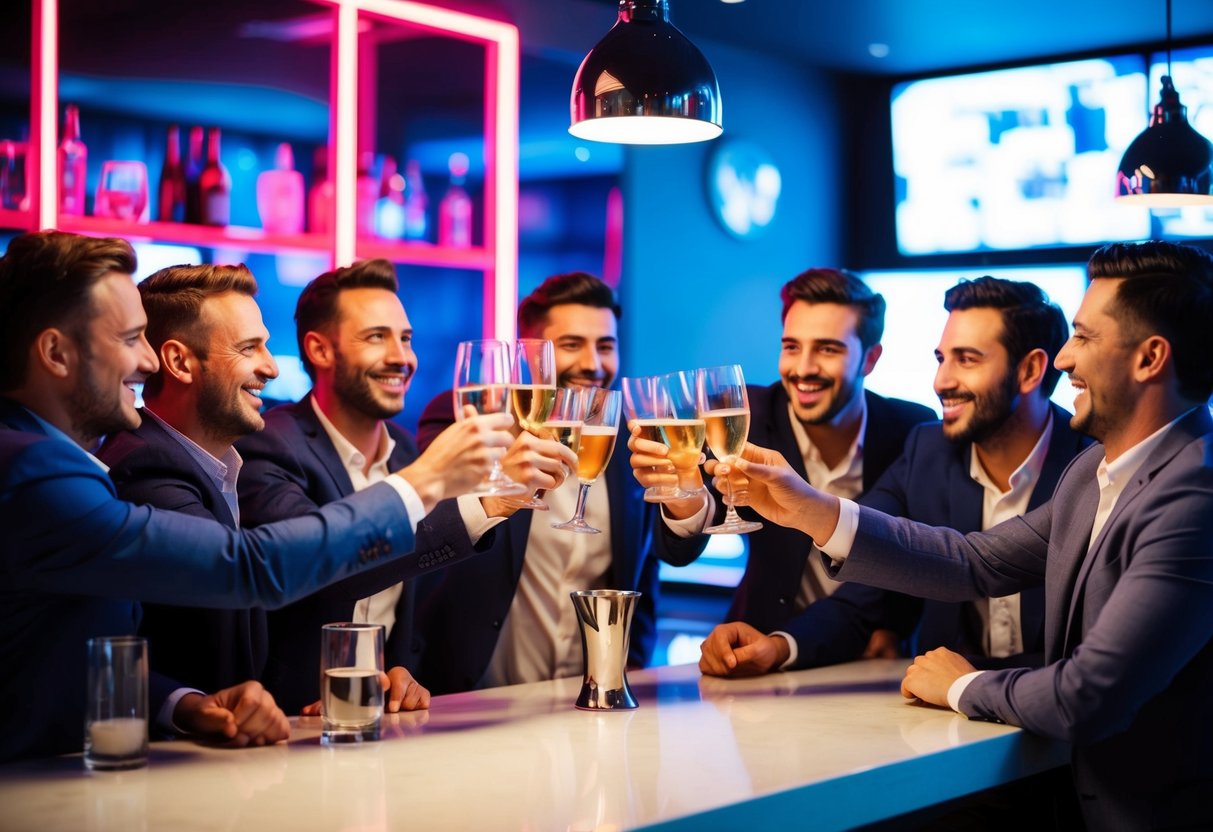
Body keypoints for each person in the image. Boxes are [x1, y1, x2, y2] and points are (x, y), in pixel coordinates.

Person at [710, 241, 1213, 830]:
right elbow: (976, 562)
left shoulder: (1195, 496)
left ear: (1150, 358)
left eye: (1083, 336)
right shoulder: (1093, 472)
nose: (1065, 358)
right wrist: (812, 511)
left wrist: (963, 685)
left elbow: (1087, 697)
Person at [0, 230, 512, 761]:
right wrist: (424, 482)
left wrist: (181, 703)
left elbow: (75, 653)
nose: (147, 361)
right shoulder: (41, 469)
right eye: (130, 339)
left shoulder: (77, 461)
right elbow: (249, 568)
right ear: (55, 353)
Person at [700, 276, 1090, 677]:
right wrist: (778, 647)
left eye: (967, 360)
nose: (941, 382)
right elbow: (864, 593)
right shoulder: (927, 450)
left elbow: (1095, 656)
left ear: (1030, 370)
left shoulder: (1092, 466)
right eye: (941, 359)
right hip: (937, 709)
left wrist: (968, 683)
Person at [235, 259, 572, 713]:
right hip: (288, 720)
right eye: (377, 337)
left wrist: (398, 667)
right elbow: (321, 571)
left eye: (406, 338)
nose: (402, 357)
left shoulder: (405, 451)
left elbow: (408, 590)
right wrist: (488, 503)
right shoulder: (270, 445)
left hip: (382, 719)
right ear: (319, 350)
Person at [638, 268, 934, 635]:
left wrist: (894, 629)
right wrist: (682, 496)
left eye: (828, 349)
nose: (804, 369)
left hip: (873, 650)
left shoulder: (910, 429)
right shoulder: (747, 416)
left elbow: (923, 553)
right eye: (792, 347)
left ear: (870, 359)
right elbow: (676, 553)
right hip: (759, 641)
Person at [411, 272, 668, 694]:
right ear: (533, 357)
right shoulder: (474, 420)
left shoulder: (625, 439)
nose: (592, 363)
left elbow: (645, 565)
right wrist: (503, 484)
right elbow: (427, 528)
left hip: (586, 704)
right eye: (571, 344)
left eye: (605, 346)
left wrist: (631, 664)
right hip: (473, 699)